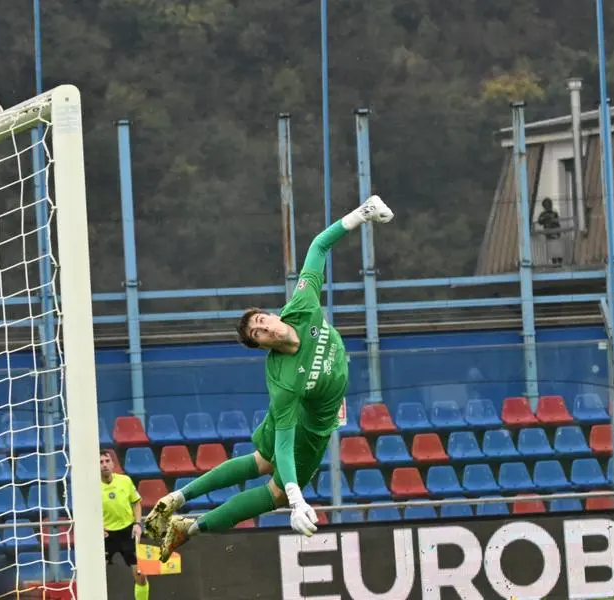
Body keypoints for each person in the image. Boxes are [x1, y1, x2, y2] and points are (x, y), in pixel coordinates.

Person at [144, 195, 395, 561]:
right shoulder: (284, 383)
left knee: (260, 460)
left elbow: (319, 245)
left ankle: (177, 499)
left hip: (311, 409)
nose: (263, 326)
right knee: (274, 486)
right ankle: (190, 527)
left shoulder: (303, 304)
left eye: (262, 319)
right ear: (262, 347)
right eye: (257, 333)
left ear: (275, 315)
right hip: (311, 427)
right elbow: (284, 443)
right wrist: (295, 499)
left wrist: (362, 214)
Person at [100, 449, 150, 600]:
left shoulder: (125, 481)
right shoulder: (91, 487)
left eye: (107, 461)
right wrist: (98, 528)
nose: (104, 465)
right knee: (92, 577)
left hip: (127, 532)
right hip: (105, 534)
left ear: (113, 464)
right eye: (100, 462)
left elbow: (136, 503)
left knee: (140, 575)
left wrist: (137, 524)